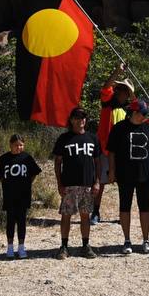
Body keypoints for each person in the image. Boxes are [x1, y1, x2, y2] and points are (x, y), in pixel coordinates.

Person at [106, 99, 149, 254]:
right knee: (125, 206)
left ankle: (146, 240)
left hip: (145, 175)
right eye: (143, 114)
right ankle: (127, 241)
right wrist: (111, 171)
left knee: (145, 207)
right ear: (134, 112)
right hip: (125, 175)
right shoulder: (119, 129)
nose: (145, 117)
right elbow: (111, 152)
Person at [53, 106, 102, 259]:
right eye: (77, 117)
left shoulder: (92, 138)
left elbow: (98, 162)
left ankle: (85, 245)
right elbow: (58, 162)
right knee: (66, 215)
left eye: (83, 117)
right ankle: (64, 246)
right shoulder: (64, 139)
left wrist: (97, 182)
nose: (81, 120)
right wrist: (60, 183)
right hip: (69, 185)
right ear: (72, 120)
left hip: (87, 184)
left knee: (85, 215)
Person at [93, 62, 134, 225]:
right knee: (101, 182)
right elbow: (105, 87)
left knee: (123, 184)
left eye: (125, 91)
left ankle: (123, 213)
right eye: (120, 89)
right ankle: (95, 212)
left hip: (121, 152)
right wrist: (118, 71)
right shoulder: (107, 103)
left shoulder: (128, 111)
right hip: (104, 149)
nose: (121, 93)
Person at [0, 134, 41, 259]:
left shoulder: (27, 157)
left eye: (21, 145)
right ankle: (10, 247)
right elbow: (0, 176)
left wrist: (27, 183)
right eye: (16, 145)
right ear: (10, 145)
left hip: (23, 195)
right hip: (9, 195)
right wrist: (7, 185)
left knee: (22, 221)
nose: (19, 147)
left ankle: (21, 247)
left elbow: (34, 173)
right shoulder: (4, 158)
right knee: (10, 221)